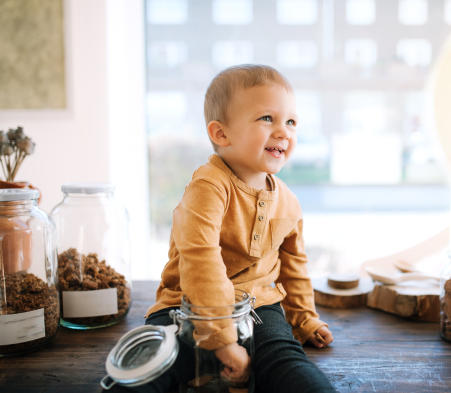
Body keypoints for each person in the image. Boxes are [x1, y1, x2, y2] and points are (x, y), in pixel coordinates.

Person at [110, 64, 336, 393]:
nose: (284, 131)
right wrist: (222, 340)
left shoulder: (288, 201)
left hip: (259, 304)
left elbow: (294, 266)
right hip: (185, 304)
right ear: (221, 134)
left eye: (291, 121)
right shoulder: (209, 186)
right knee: (153, 363)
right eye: (267, 119)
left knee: (285, 360)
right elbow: (201, 259)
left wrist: (304, 319)